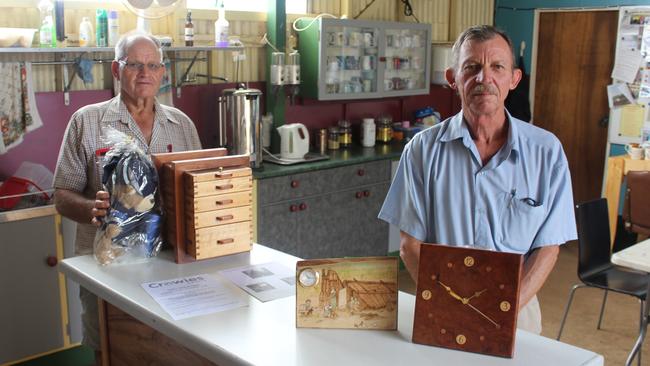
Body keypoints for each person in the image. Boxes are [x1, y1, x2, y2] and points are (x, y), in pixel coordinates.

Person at [378, 25, 576, 334]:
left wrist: (506, 310)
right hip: (443, 305)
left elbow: (548, 248)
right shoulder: (422, 150)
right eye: (471, 67)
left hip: (518, 312)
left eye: (497, 67)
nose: (484, 78)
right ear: (452, 79)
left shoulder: (546, 152)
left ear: (513, 79)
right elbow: (410, 246)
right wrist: (448, 305)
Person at [53, 31, 202, 360]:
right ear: (117, 70)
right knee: (108, 347)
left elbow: (198, 190)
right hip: (106, 267)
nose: (145, 73)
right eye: (134, 64)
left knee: (170, 349)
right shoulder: (87, 121)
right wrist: (93, 208)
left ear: (163, 73)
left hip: (171, 266)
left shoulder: (182, 125)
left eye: (153, 65)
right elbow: (61, 194)